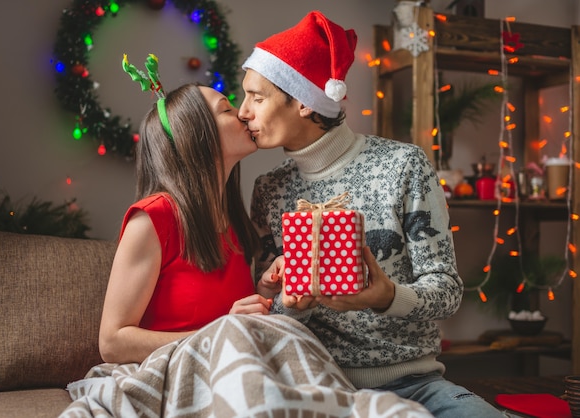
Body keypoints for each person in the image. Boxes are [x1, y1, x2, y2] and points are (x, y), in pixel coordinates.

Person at [239, 11, 506, 418]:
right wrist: (290, 303)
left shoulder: (403, 165)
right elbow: (269, 313)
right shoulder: (269, 190)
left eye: (257, 97)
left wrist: (389, 297)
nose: (244, 111)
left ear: (303, 103)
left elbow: (448, 292)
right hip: (312, 384)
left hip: (415, 385)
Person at [98, 54, 271, 364]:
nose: (244, 113)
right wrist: (217, 332)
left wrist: (265, 290)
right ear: (196, 136)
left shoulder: (232, 220)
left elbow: (232, 321)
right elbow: (112, 343)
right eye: (227, 110)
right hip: (170, 371)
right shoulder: (152, 219)